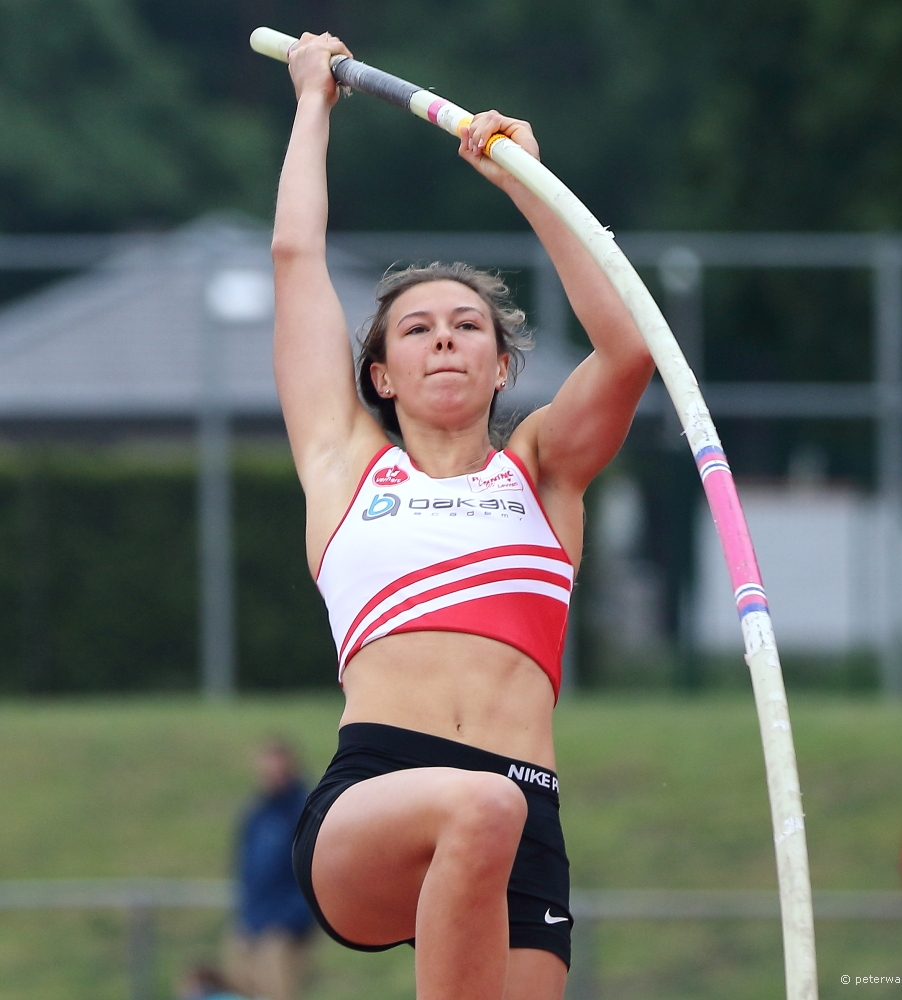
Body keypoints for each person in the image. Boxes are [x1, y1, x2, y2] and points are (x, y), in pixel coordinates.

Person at [272, 32, 654, 1000]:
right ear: (381, 374)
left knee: (494, 808)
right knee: (478, 804)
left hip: (525, 811)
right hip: (377, 795)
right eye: (416, 327)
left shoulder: (543, 473)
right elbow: (293, 260)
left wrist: (528, 180)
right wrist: (312, 104)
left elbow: (628, 352)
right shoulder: (344, 463)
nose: (444, 337)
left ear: (500, 367)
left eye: (467, 326)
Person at [223, 740, 315, 1000]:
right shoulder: (256, 813)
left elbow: (311, 873)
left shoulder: (303, 811)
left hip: (282, 929)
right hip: (250, 922)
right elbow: (245, 869)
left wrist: (290, 921)